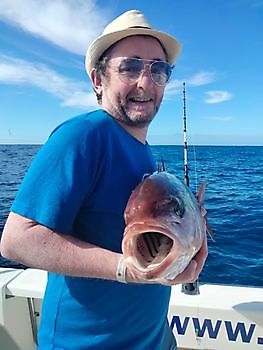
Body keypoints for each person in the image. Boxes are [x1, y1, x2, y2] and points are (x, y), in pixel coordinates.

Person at [0, 9, 208, 350]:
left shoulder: (143, 152)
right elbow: (16, 240)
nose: (146, 82)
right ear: (98, 79)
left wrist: (189, 243)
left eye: (159, 69)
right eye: (130, 67)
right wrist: (126, 269)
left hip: (155, 339)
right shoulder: (83, 135)